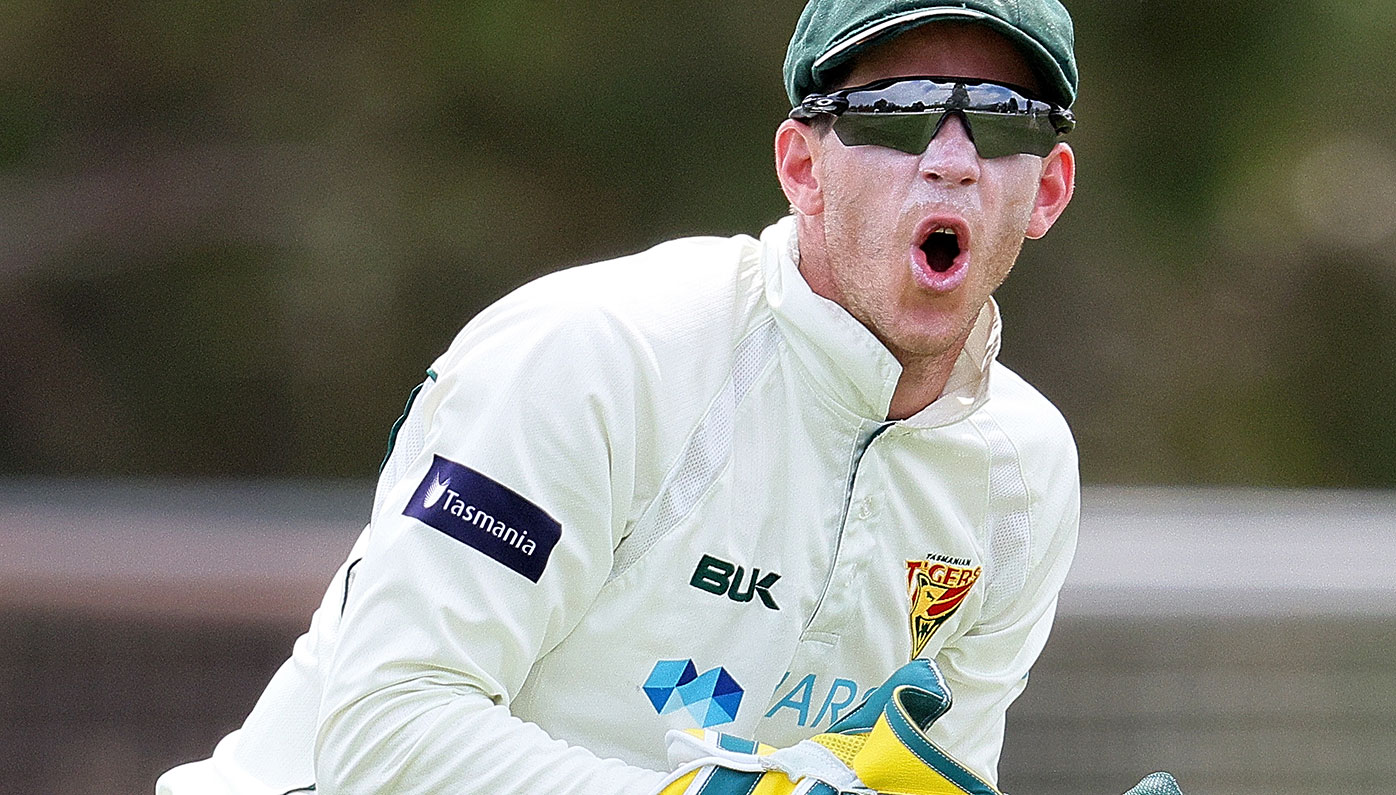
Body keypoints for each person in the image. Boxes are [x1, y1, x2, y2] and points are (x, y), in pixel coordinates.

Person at [158, 0, 1091, 793]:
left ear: (1047, 191)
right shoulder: (602, 353)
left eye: (1006, 118)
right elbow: (382, 736)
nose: (952, 157)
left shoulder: (1024, 473)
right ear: (804, 169)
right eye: (896, 110)